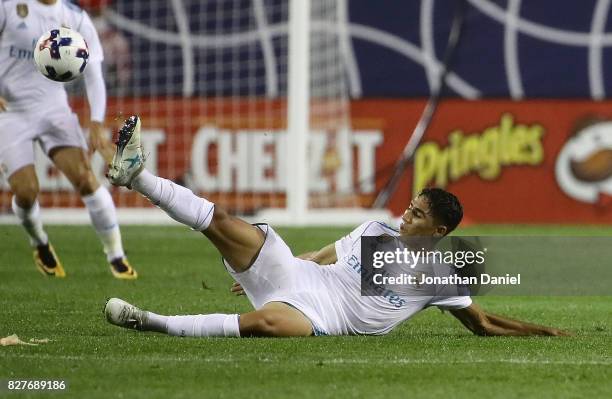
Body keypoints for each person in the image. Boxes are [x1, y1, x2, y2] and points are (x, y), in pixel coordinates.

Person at [104, 115, 568, 337]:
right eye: (409, 207)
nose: (405, 215)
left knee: (265, 323)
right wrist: (265, 266)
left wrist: (547, 332)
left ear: (438, 233)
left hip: (323, 318)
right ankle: (136, 175)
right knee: (223, 222)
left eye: (417, 215)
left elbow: (483, 324)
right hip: (298, 277)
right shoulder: (373, 232)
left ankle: (148, 323)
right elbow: (324, 256)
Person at [0, 0, 136, 279]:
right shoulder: (8, 7)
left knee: (86, 177)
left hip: (54, 109)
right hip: (10, 112)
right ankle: (39, 242)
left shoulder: (75, 18)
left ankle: (116, 255)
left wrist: (96, 124)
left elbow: (94, 75)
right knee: (26, 192)